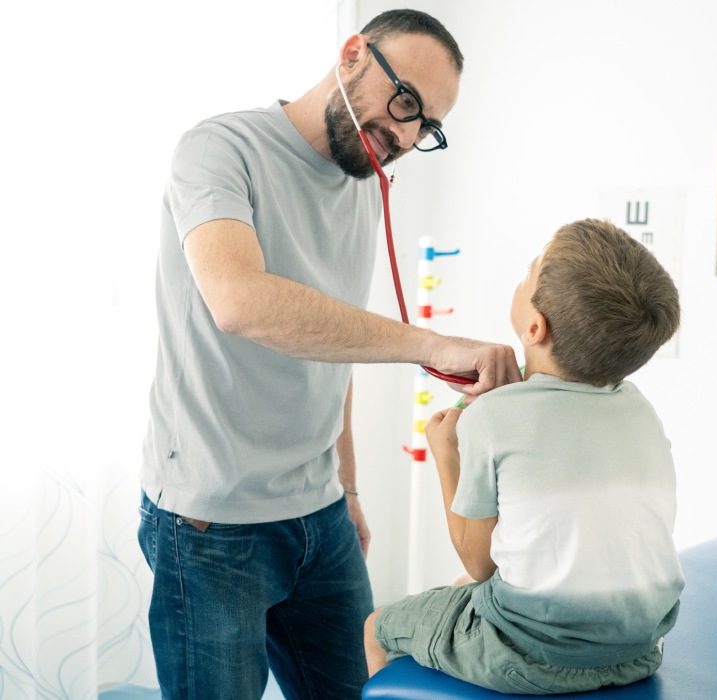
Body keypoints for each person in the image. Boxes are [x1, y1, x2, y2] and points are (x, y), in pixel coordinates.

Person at [137, 9, 521, 700]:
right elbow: (241, 303)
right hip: (210, 524)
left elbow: (329, 342)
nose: (404, 134)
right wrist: (433, 344)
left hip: (319, 516)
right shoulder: (218, 149)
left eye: (424, 125)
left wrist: (346, 489)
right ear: (351, 55)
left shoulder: (367, 184)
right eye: (405, 102)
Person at [365, 218, 685, 695]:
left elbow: (480, 565)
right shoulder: (639, 408)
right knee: (459, 589)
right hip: (638, 649)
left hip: (528, 656)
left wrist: (446, 452)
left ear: (534, 326)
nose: (523, 275)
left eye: (529, 271)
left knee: (376, 625)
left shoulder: (492, 418)